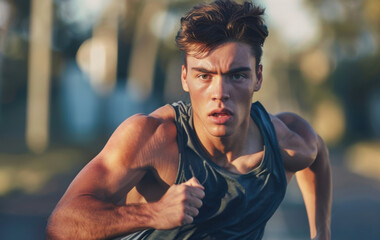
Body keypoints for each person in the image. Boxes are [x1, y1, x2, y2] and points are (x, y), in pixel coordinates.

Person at [46, 0, 332, 239]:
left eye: (237, 75)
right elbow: (61, 224)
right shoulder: (151, 139)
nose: (220, 93)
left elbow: (316, 155)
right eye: (204, 76)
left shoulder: (285, 142)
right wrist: (154, 212)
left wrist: (320, 232)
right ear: (185, 77)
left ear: (258, 77)